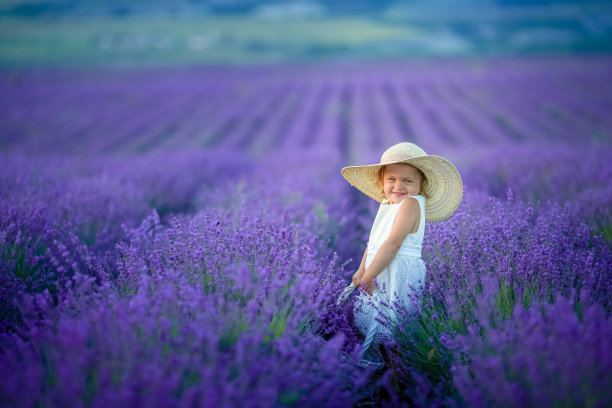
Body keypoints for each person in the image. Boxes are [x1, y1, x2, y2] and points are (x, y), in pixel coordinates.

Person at [338, 142, 463, 368]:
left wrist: (369, 275)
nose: (398, 186)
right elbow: (375, 242)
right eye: (392, 179)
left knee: (394, 327)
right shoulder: (388, 204)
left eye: (408, 180)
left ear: (421, 184)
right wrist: (361, 269)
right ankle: (387, 375)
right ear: (381, 181)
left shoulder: (411, 205)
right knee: (379, 325)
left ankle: (400, 378)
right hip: (380, 268)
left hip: (397, 272)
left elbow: (393, 243)